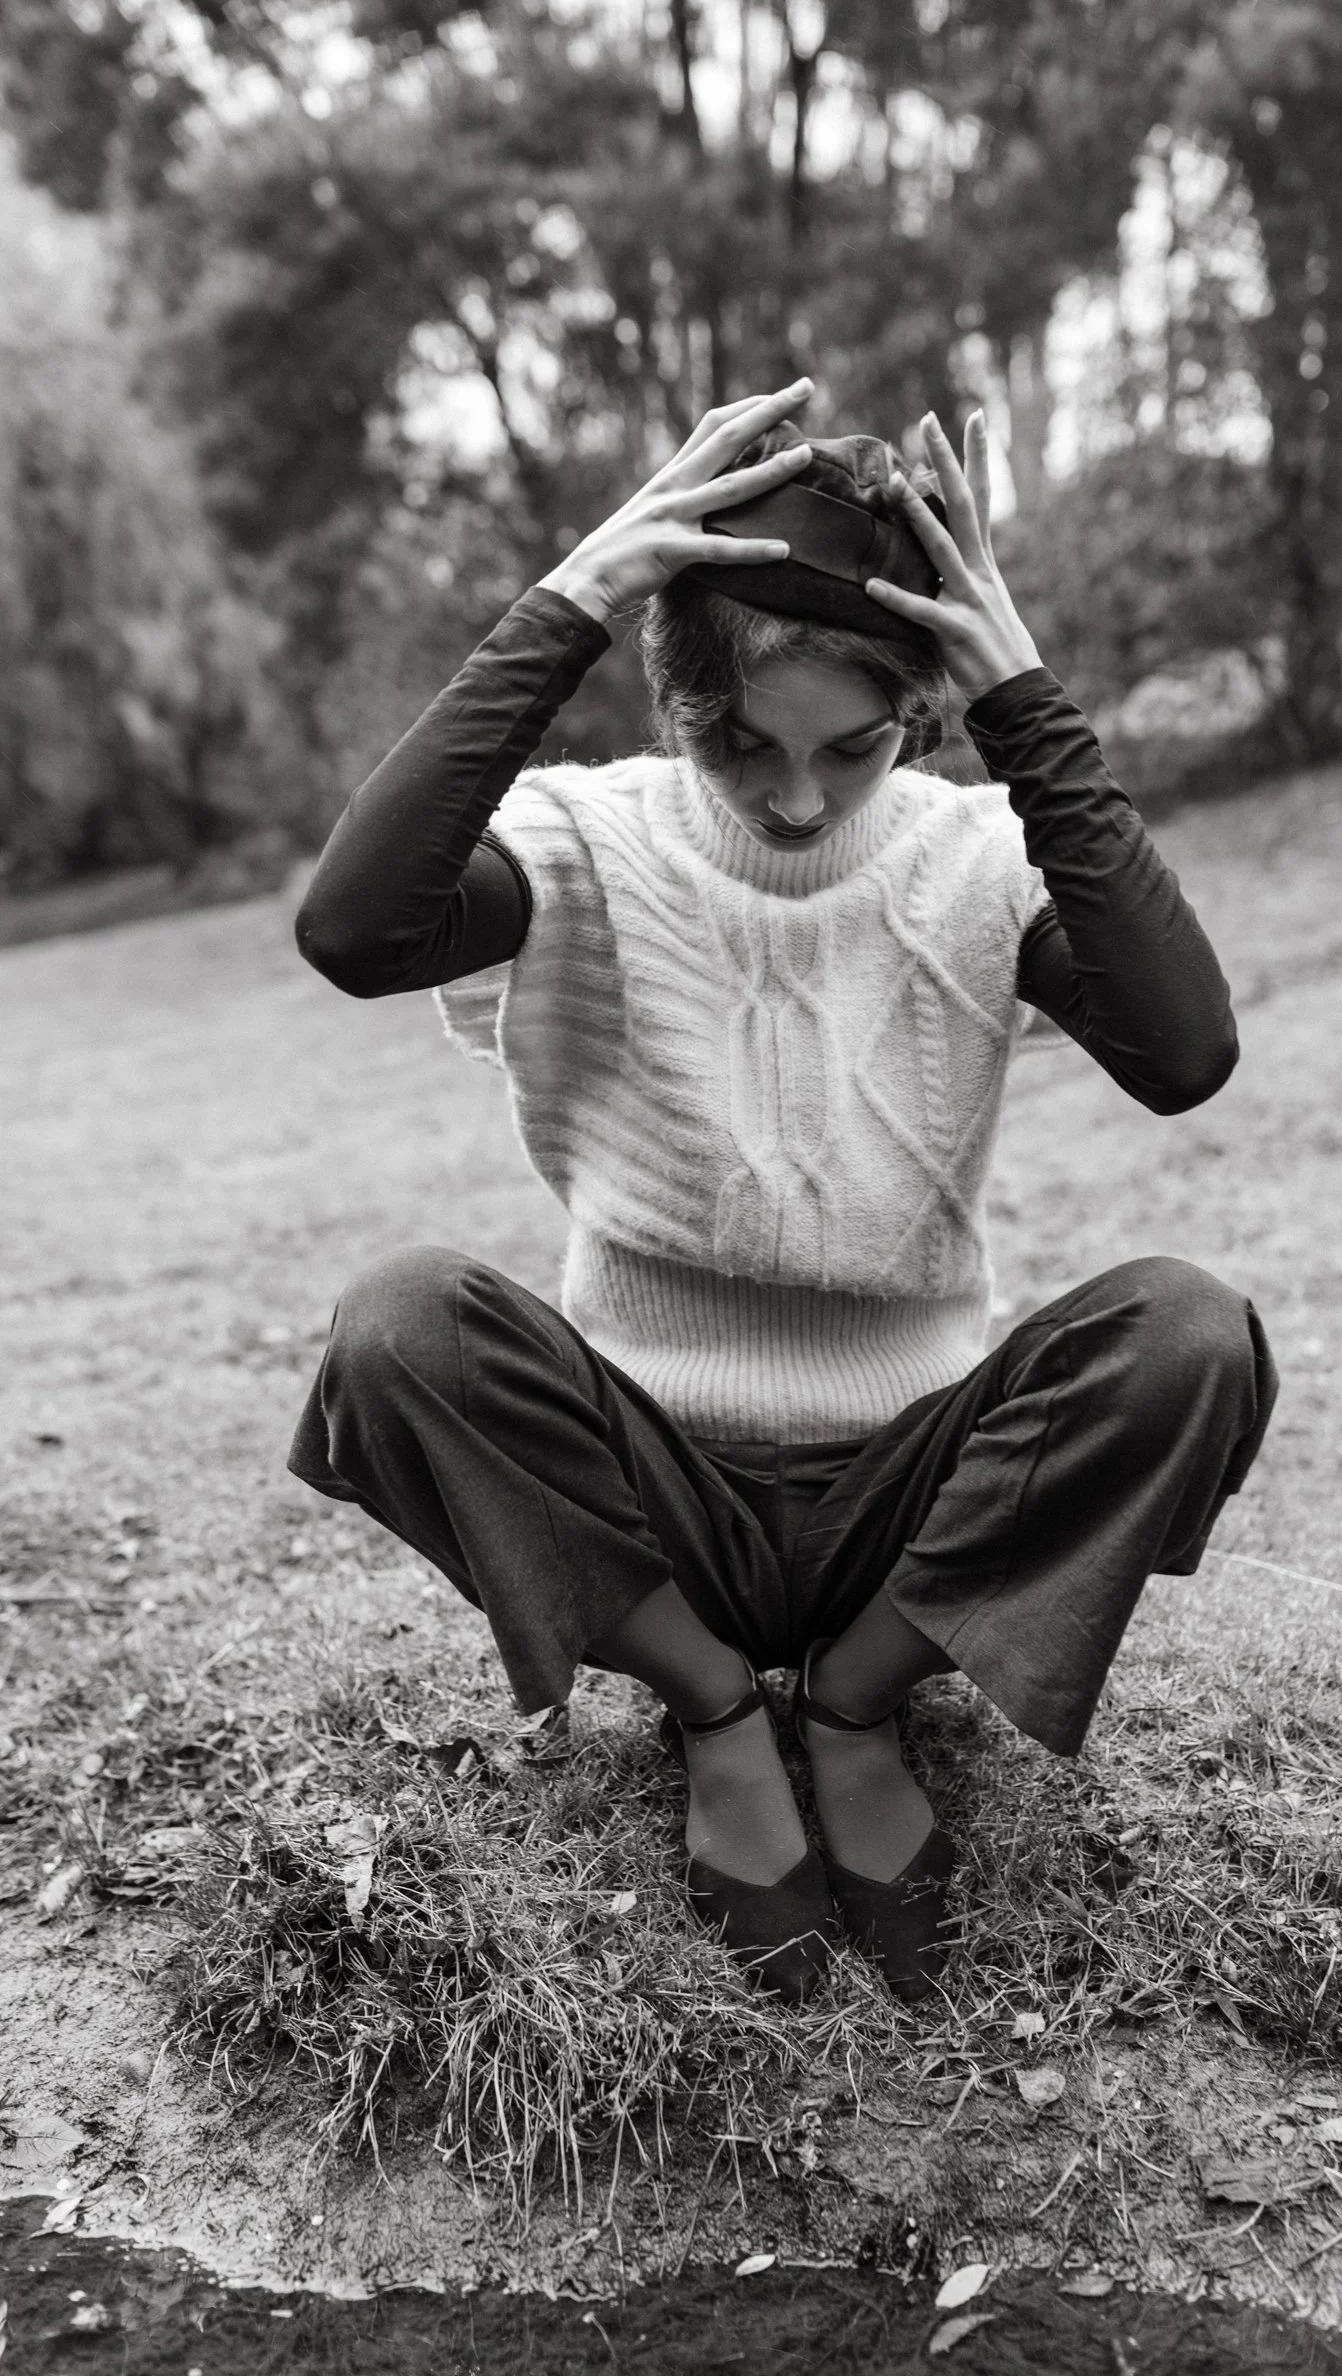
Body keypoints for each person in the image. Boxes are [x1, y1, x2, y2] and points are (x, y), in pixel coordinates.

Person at [290, 377, 1277, 2008]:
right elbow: (353, 929)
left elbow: (1186, 1051)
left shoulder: (977, 860)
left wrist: (1024, 698)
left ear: (926, 713)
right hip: (649, 1487)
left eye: (858, 744)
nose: (802, 797)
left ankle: (857, 1702)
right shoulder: (580, 841)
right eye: (739, 740)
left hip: (912, 1504)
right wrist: (574, 597)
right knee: (398, 1324)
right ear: (667, 695)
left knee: (1187, 1331)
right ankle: (717, 1711)